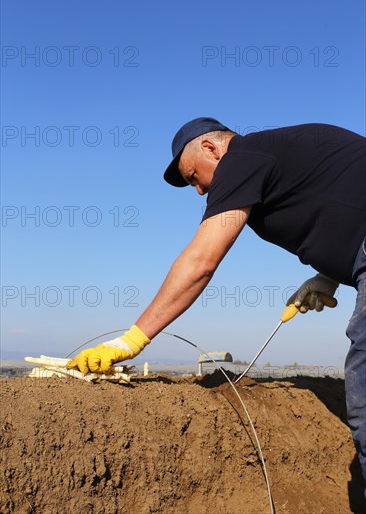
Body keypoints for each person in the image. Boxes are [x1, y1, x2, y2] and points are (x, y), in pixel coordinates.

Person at [67, 117, 366, 492]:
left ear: (211, 149)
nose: (198, 190)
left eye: (194, 176)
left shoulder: (242, 158)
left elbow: (201, 261)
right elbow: (344, 196)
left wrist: (131, 340)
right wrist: (329, 274)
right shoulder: (272, 154)